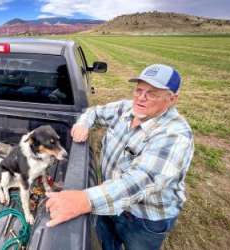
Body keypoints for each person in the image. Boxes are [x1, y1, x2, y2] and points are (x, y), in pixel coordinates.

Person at [45, 64, 194, 250]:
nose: (141, 98)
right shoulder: (125, 109)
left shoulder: (174, 135)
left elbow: (141, 180)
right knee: (107, 243)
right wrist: (84, 124)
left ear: (172, 99)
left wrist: (85, 200)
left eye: (152, 93)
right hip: (108, 201)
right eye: (139, 90)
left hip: (142, 219)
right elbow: (94, 112)